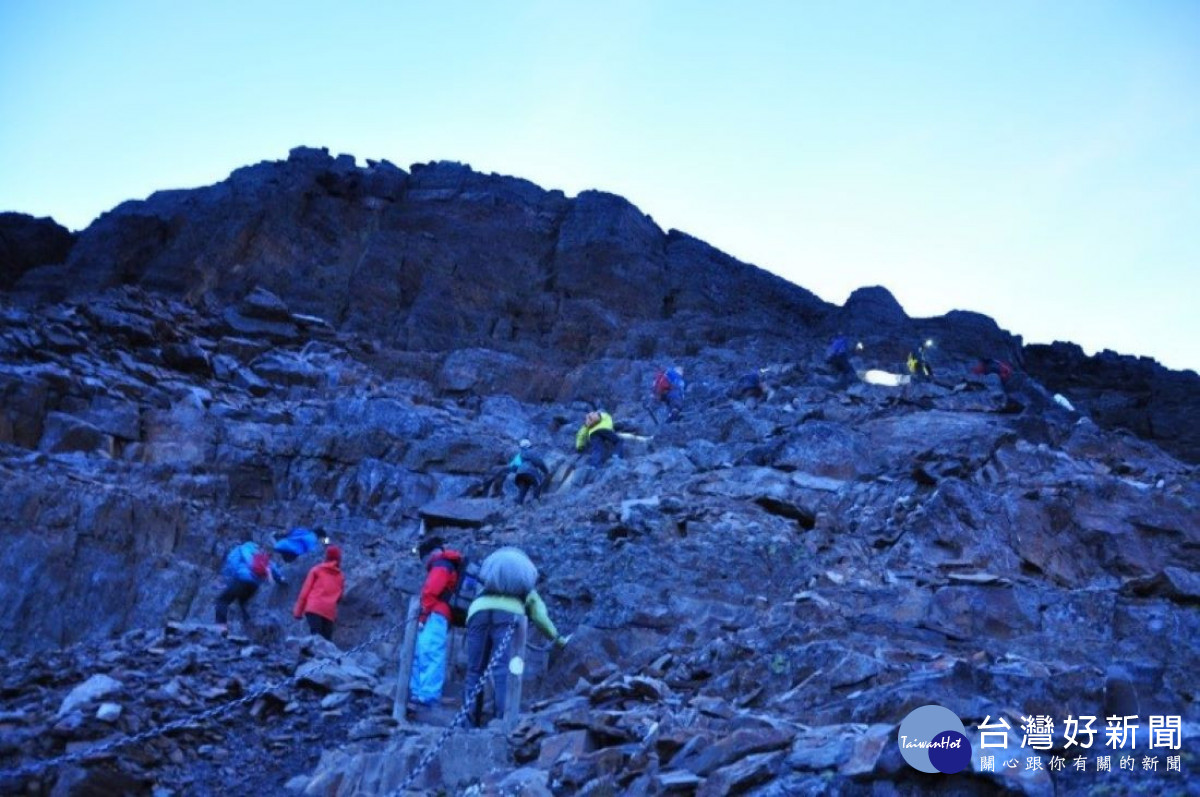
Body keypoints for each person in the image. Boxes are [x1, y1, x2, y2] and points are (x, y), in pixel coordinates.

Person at [462, 547, 569, 727]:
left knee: (474, 671)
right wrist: (558, 639)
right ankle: (503, 721)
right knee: (503, 670)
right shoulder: (524, 586)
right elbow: (540, 617)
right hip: (510, 615)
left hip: (478, 613)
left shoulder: (488, 580)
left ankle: (467, 723)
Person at [408, 537, 464, 708]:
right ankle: (420, 692)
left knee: (429, 652)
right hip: (440, 614)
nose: (424, 565)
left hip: (436, 614)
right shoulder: (448, 563)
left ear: (429, 554)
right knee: (424, 651)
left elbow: (430, 592)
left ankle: (427, 695)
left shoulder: (441, 564)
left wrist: (423, 617)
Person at [215, 541, 284, 632]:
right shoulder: (259, 552)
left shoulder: (240, 549)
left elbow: (232, 564)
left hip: (242, 579)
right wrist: (281, 579)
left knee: (222, 600)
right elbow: (271, 566)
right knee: (242, 604)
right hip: (254, 585)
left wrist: (227, 581)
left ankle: (221, 629)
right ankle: (249, 630)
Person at [292, 545, 345, 641]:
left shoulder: (316, 570)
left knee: (316, 640)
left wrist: (298, 612)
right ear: (339, 558)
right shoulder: (340, 576)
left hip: (313, 609)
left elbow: (305, 591)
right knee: (327, 644)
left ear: (326, 556)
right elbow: (340, 597)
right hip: (329, 612)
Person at [508, 439, 551, 504]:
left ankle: (519, 503)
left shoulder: (519, 455)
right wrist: (546, 471)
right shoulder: (530, 452)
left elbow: (512, 467)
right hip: (529, 471)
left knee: (524, 487)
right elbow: (538, 462)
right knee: (538, 483)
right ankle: (535, 501)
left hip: (519, 475)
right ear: (529, 446)